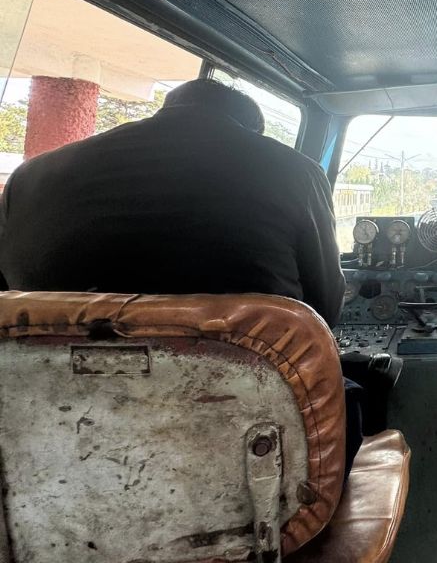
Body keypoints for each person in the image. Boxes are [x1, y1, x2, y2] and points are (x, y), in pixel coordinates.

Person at [0, 78, 362, 473]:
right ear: (248, 128)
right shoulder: (295, 171)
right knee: (358, 395)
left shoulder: (29, 177)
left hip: (53, 443)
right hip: (243, 438)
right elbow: (322, 316)